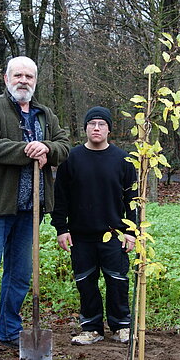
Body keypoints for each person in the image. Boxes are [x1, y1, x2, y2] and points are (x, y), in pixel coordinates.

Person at [0, 56, 70, 360]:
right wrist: (26, 151)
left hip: (30, 213)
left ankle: (10, 332)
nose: (24, 80)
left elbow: (64, 145)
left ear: (35, 81)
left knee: (20, 276)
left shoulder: (44, 114)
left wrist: (47, 148)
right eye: (18, 75)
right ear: (7, 78)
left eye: (29, 76)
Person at [50, 106, 137, 346]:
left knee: (117, 281)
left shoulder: (124, 161)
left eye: (101, 124)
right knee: (86, 282)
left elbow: (133, 200)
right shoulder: (71, 159)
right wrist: (61, 228)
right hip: (81, 236)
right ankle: (91, 327)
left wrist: (131, 232)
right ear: (85, 128)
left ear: (109, 129)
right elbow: (61, 198)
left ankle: (121, 326)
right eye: (92, 124)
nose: (96, 128)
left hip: (114, 236)